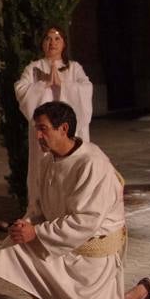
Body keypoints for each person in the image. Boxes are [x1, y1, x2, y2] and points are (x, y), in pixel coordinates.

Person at [0, 101, 150, 299]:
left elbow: (86, 222)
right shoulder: (47, 161)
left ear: (64, 129)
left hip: (93, 251)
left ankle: (142, 290)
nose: (38, 136)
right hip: (60, 242)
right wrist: (26, 225)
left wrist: (37, 232)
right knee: (14, 245)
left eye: (43, 129)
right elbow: (38, 207)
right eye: (36, 130)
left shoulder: (92, 162)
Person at [14, 26, 94, 201]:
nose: (53, 43)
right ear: (42, 43)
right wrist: (43, 85)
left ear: (64, 43)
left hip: (66, 128)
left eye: (57, 39)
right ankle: (42, 207)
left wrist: (64, 84)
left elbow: (86, 88)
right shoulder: (34, 68)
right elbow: (21, 90)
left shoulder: (73, 68)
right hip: (45, 129)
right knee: (43, 167)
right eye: (48, 38)